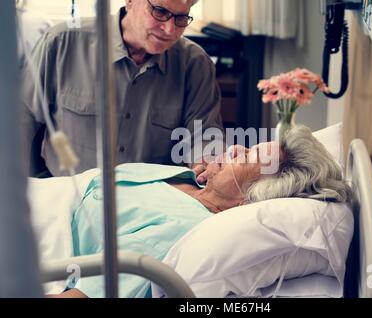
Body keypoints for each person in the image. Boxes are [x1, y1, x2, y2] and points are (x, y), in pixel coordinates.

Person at [47, 125, 352, 298]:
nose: (234, 148)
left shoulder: (176, 233)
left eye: (245, 156)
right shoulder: (189, 179)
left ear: (250, 199)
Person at [20, 0, 222, 179]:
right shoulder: (62, 43)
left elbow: (203, 135)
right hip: (66, 200)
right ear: (130, 1)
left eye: (181, 18)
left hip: (152, 206)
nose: (170, 29)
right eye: (160, 11)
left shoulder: (195, 64)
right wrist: (35, 184)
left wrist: (207, 164)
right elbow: (21, 122)